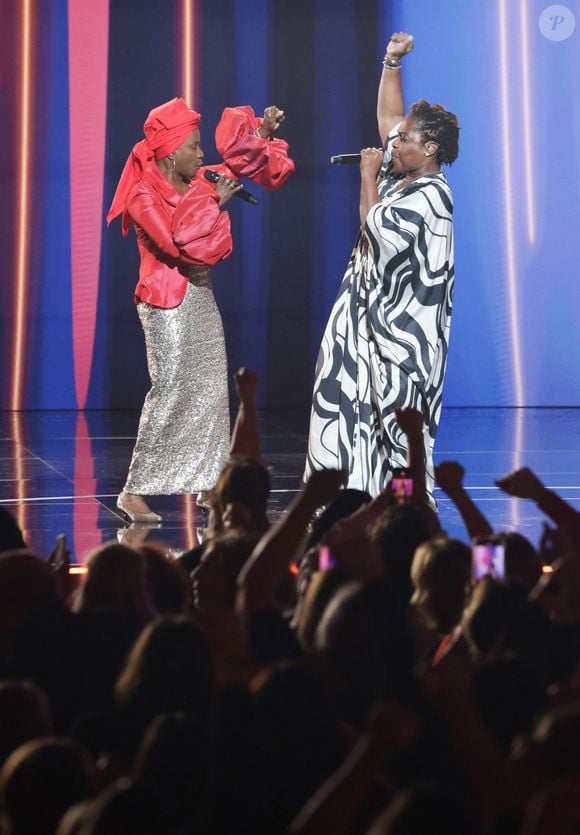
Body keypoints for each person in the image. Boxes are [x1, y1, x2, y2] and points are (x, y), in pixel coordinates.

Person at [107, 97, 294, 522]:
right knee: (171, 390)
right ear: (172, 152)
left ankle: (211, 483)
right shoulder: (143, 193)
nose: (202, 152)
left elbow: (236, 168)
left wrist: (261, 133)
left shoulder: (197, 180)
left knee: (210, 389)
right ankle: (134, 490)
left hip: (200, 297)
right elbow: (177, 246)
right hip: (166, 304)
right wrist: (214, 203)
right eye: (194, 146)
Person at [304, 33, 459, 505]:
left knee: (399, 432)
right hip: (360, 320)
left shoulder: (432, 196)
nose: (392, 142)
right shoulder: (405, 168)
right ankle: (346, 505)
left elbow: (377, 231)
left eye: (405, 140)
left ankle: (408, 511)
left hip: (401, 337)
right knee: (343, 411)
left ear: (429, 148)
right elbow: (390, 119)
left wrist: (367, 176)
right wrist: (391, 61)